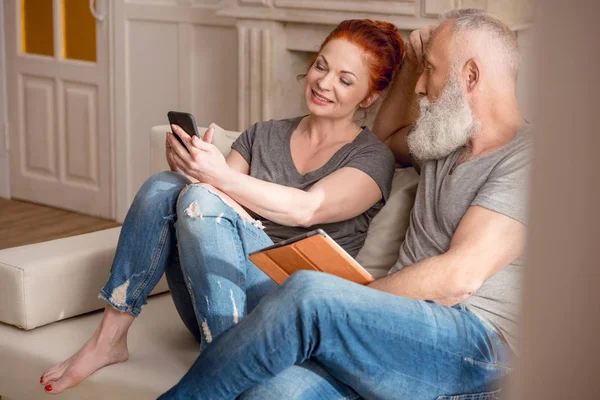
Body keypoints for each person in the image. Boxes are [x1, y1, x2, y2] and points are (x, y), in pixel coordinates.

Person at [157, 8, 531, 400]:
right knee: (268, 393)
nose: (420, 87)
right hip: (392, 329)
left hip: (474, 347)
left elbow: (459, 279)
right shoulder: (445, 140)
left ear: (470, 76)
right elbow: (384, 142)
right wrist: (408, 66)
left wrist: (354, 300)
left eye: (430, 71)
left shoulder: (529, 161)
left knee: (310, 293)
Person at [39, 19, 403, 395]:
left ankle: (222, 371)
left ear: (369, 98)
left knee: (200, 195)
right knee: (167, 185)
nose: (324, 83)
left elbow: (307, 209)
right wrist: (195, 169)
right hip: (215, 300)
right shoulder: (263, 134)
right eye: (321, 66)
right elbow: (209, 213)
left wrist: (214, 177)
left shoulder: (371, 157)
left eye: (345, 80)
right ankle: (108, 341)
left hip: (290, 313)